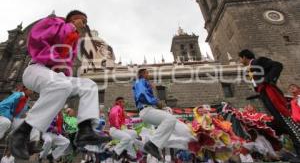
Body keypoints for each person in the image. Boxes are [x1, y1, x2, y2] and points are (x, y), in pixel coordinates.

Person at [9, 10, 111, 160]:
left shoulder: (73, 41)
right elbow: (37, 38)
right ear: (75, 19)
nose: (84, 25)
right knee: (63, 86)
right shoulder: (55, 23)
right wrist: (69, 28)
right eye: (83, 21)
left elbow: (67, 65)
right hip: (37, 69)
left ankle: (85, 131)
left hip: (56, 76)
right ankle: (22, 133)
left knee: (89, 85)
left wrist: (65, 69)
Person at [239, 49, 300, 158]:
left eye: (240, 58)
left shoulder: (258, 61)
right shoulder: (250, 69)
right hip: (265, 95)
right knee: (278, 121)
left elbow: (277, 65)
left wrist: (268, 81)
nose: (239, 61)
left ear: (244, 57)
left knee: (285, 119)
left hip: (271, 93)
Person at [132, 68, 195, 160]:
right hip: (146, 110)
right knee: (171, 119)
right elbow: (142, 94)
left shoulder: (144, 83)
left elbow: (145, 94)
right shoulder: (140, 81)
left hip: (149, 110)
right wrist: (156, 102)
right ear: (142, 74)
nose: (148, 75)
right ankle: (152, 144)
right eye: (147, 73)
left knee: (174, 122)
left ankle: (191, 137)